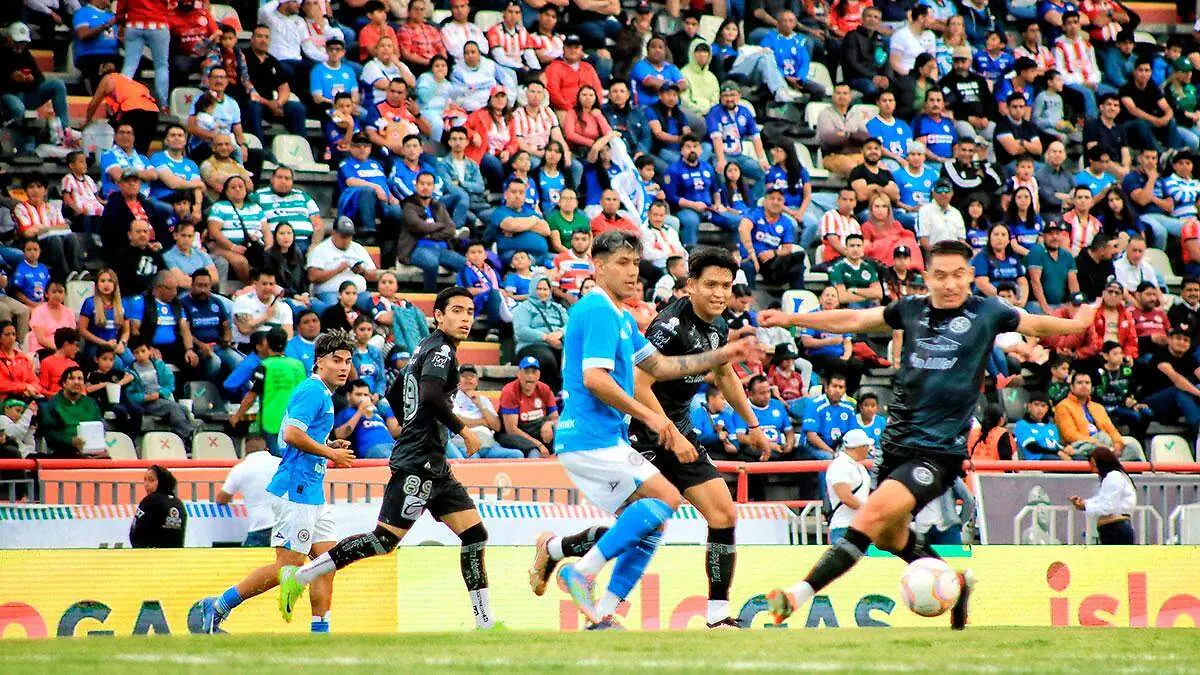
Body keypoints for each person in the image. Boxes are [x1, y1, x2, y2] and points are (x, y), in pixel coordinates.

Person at [761, 239, 1097, 629]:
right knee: (888, 538)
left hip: (937, 451)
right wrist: (792, 320)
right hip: (897, 445)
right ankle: (954, 581)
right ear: (927, 278)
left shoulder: (987, 312)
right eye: (941, 276)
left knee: (867, 516)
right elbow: (854, 320)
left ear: (970, 276)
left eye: (958, 275)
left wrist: (1079, 323)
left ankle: (794, 597)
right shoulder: (911, 310)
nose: (950, 284)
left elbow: (1035, 323)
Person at [535, 240, 764, 629]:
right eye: (622, 263)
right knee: (662, 503)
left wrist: (725, 358)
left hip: (616, 434)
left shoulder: (622, 317)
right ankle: (582, 571)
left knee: (659, 521)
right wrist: (661, 424)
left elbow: (662, 365)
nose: (631, 272)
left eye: (636, 264)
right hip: (614, 435)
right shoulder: (607, 312)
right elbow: (603, 380)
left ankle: (596, 604)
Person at [278, 289, 502, 631]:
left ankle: (485, 623)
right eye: (457, 310)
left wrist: (411, 426)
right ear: (439, 316)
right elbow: (427, 395)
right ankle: (303, 576)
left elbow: (397, 392)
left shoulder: (425, 349)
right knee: (383, 540)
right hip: (419, 463)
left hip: (432, 461)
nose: (467, 317)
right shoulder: (441, 351)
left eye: (470, 311)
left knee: (474, 534)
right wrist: (464, 431)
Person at [199, 330, 357, 635]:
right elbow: (291, 435)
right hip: (295, 489)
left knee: (328, 561)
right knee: (288, 567)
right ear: (319, 362)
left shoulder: (322, 392)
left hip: (311, 489)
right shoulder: (312, 390)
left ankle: (319, 632)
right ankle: (218, 605)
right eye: (336, 360)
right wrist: (328, 452)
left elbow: (300, 436)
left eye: (347, 361)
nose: (343, 367)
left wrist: (328, 446)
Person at [126, 336, 197, 444]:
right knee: (173, 407)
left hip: (160, 399)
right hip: (144, 403)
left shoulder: (159, 365)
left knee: (183, 409)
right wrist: (145, 397)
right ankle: (185, 437)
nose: (140, 355)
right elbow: (130, 395)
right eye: (136, 352)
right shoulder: (130, 371)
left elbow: (170, 384)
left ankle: (185, 436)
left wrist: (160, 393)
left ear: (149, 350)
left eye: (143, 351)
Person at [216, 438, 282, 547]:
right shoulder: (281, 464)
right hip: (284, 523)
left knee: (247, 561)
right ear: (267, 449)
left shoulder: (240, 469)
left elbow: (221, 499)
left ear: (245, 450)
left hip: (260, 526)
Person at [1069, 446, 1137, 544]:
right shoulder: (1113, 477)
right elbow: (1102, 499)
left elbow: (1108, 506)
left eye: (1094, 464)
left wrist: (1085, 506)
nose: (1093, 469)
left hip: (1116, 529)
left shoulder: (1114, 476)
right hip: (1112, 528)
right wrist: (1084, 503)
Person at [512, 275, 569, 390]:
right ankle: (550, 395)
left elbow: (570, 325)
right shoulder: (524, 307)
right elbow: (521, 330)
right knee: (547, 360)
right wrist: (546, 338)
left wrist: (560, 332)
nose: (542, 292)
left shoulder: (558, 308)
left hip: (560, 344)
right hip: (532, 346)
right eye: (539, 289)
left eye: (545, 289)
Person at [40, 367, 103, 458]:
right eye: (72, 378)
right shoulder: (52, 405)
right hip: (65, 452)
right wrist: (70, 441)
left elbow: (99, 427)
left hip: (93, 451)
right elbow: (50, 434)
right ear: (64, 383)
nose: (76, 382)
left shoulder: (91, 403)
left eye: (80, 379)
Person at [826, 428, 872, 544]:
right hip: (844, 527)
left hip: (857, 525)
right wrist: (869, 511)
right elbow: (846, 497)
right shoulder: (840, 466)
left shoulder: (857, 466)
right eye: (867, 445)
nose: (869, 449)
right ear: (860, 447)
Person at [334, 379, 400, 459]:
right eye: (358, 395)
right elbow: (339, 435)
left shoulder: (378, 410)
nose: (363, 398)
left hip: (393, 445)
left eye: (366, 395)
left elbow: (395, 432)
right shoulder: (346, 412)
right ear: (349, 396)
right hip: (373, 448)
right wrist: (360, 411)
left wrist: (388, 410)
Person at [130, 465, 187, 548]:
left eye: (151, 480)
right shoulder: (178, 503)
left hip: (152, 555)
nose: (146, 484)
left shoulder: (150, 501)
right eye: (145, 480)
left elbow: (136, 532)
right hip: (175, 556)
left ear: (162, 481)